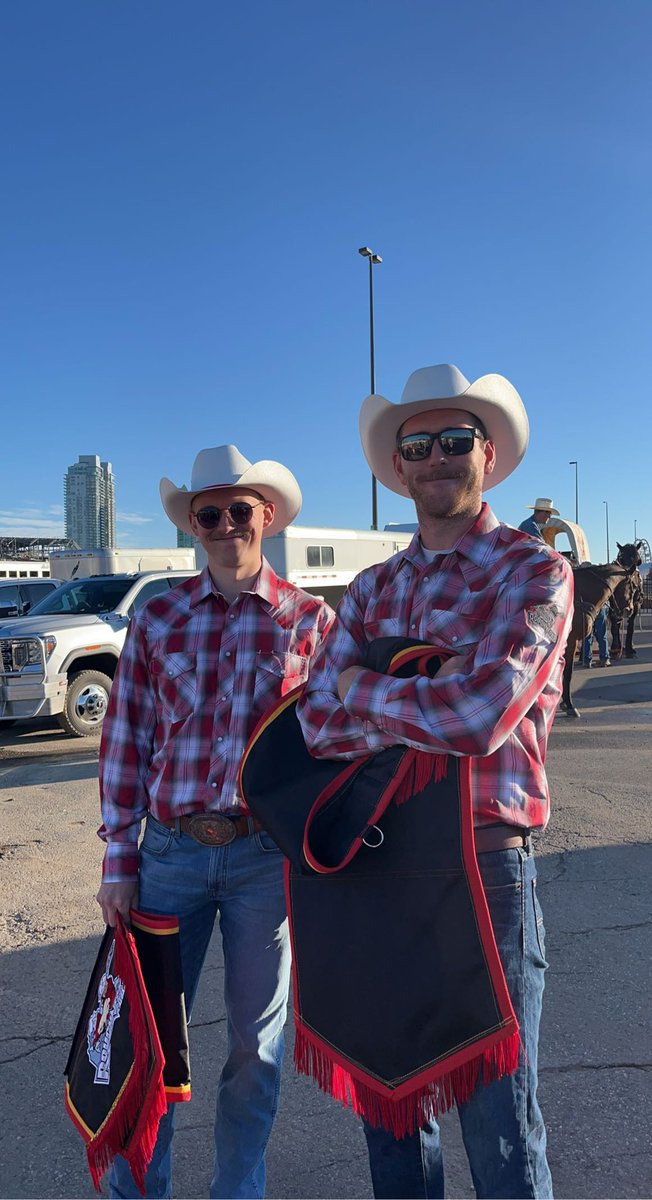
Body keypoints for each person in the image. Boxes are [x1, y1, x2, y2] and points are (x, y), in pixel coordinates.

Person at [296, 364, 573, 1200]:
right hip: (377, 867)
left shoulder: (533, 573)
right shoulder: (373, 586)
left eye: (455, 441)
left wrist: (364, 685)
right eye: (420, 446)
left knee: (501, 1127)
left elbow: (478, 716)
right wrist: (418, 685)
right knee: (391, 1107)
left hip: (487, 865)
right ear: (400, 466)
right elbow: (315, 721)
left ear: (486, 454)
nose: (438, 458)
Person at [96, 444, 334, 1200]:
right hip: (167, 856)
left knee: (255, 1052)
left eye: (240, 510)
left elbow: (334, 750)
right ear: (193, 527)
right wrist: (117, 862)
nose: (226, 524)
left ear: (266, 517)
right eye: (210, 514)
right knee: (150, 1047)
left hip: (265, 862)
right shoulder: (158, 618)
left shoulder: (312, 623)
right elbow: (126, 739)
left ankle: (239, 1191)